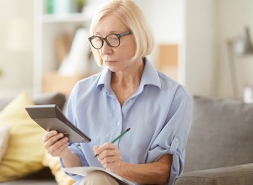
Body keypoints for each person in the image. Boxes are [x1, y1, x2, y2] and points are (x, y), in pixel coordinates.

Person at [42, 0, 192, 184]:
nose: (105, 50)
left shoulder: (175, 97)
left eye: (114, 38)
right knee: (96, 179)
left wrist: (120, 168)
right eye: (98, 39)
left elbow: (164, 172)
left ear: (138, 36)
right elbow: (77, 166)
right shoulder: (82, 92)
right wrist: (63, 151)